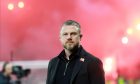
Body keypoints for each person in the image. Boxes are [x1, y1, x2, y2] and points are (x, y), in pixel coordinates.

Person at [46, 20, 105, 84]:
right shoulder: (53, 63)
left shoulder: (93, 63)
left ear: (80, 37)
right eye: (65, 34)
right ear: (60, 38)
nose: (69, 37)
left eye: (73, 34)